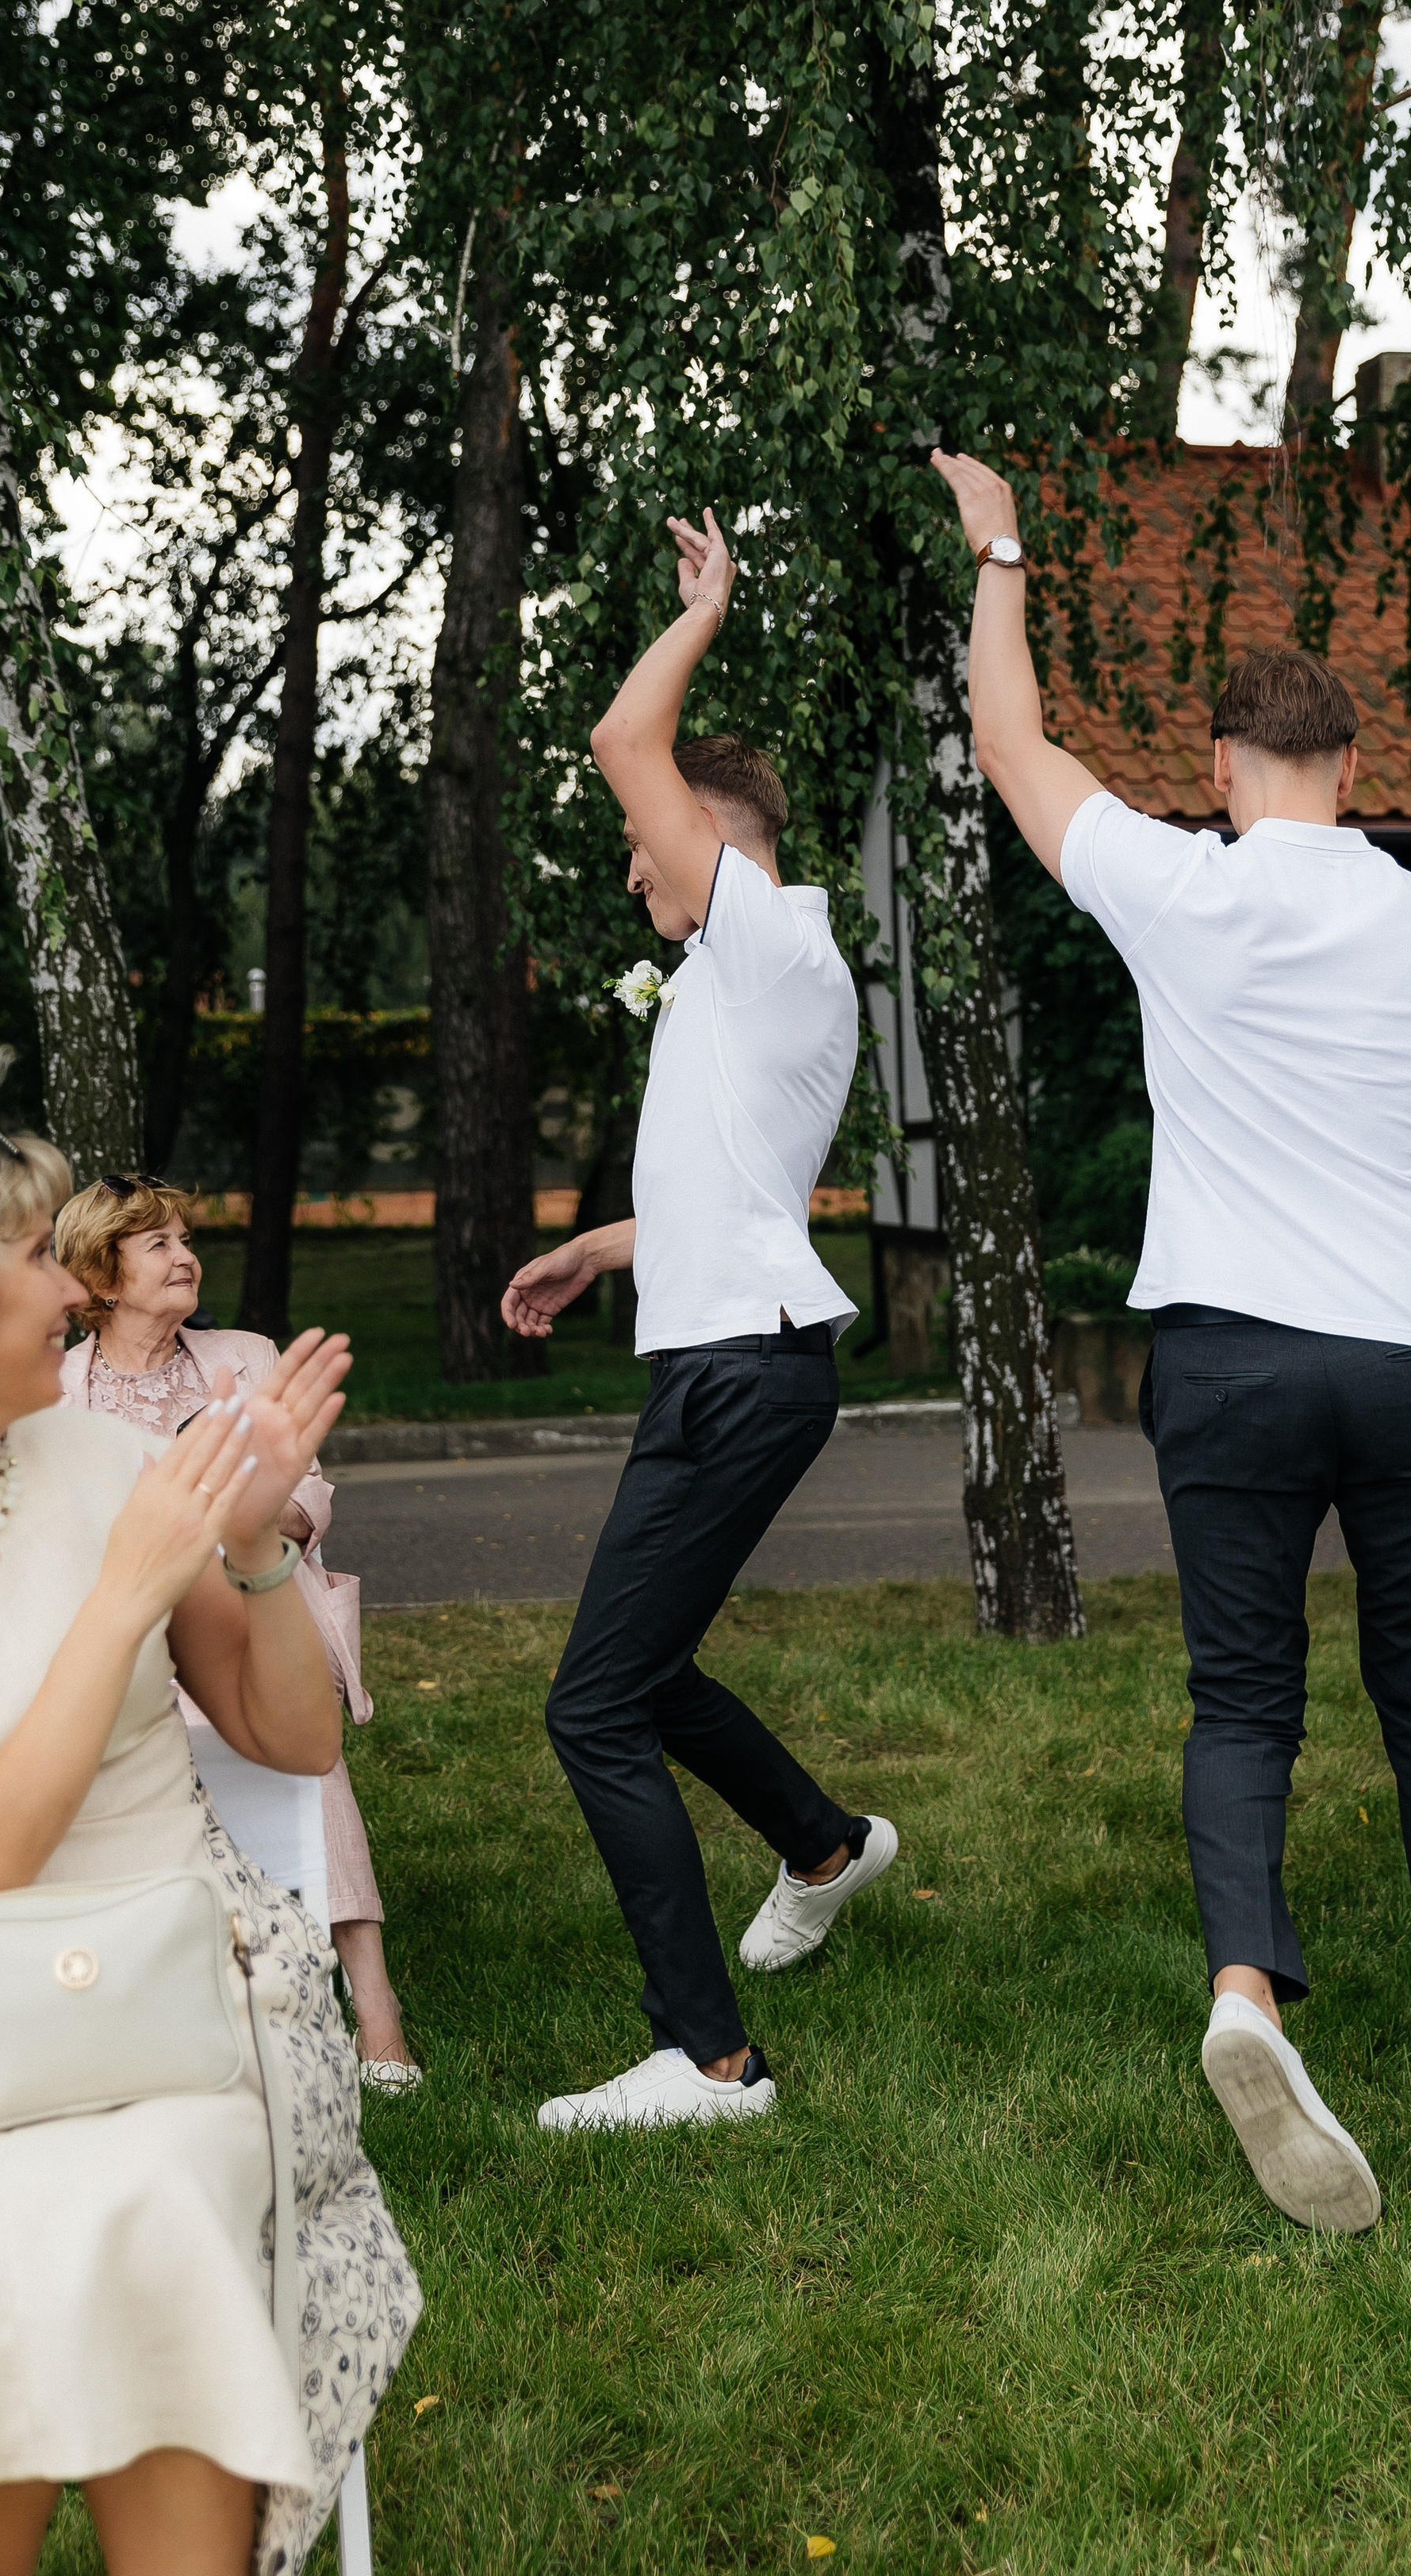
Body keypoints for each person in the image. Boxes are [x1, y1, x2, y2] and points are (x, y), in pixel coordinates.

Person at [942, 444, 1411, 2236]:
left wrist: (1001, 549)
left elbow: (1010, 744)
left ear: (1216, 770)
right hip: (1405, 1350)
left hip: (1228, 1351)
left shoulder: (1176, 884)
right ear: (1351, 768)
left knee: (1243, 1691)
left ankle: (1244, 1994)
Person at [0, 1056, 419, 2576]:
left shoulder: (117, 1462)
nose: (72, 1288)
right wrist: (125, 1595)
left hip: (171, 2020)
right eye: (38, 1257)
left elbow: (289, 1735)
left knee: (165, 2193)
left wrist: (251, 1554)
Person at [500, 506, 897, 2134]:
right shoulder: (736, 988)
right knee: (638, 1671)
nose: (628, 865)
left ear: (715, 847)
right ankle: (822, 1844)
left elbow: (618, 735)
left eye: (649, 844)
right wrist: (601, 1249)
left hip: (743, 1378)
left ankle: (708, 2060)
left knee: (591, 1701)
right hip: (729, 1354)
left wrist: (707, 606)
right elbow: (734, 1195)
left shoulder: (778, 942)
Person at [55, 1175, 419, 2087]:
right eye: (157, 1245)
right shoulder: (53, 1388)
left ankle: (377, 2017)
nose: (185, 1257)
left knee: (313, 1762)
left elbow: (307, 1495)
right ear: (102, 1273)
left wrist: (244, 1527)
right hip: (130, 1629)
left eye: (186, 1239)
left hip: (251, 1608)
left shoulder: (246, 1356)